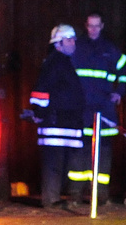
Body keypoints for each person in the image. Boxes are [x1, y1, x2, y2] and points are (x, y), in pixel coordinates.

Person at [68, 11, 124, 205]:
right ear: (86, 25)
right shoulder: (76, 47)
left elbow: (124, 71)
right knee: (79, 154)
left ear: (102, 26)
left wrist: (120, 92)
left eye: (96, 25)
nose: (93, 29)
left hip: (104, 109)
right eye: (90, 25)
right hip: (81, 109)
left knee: (103, 154)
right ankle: (75, 194)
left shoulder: (110, 49)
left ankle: (100, 196)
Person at [28, 24, 84, 211]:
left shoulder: (61, 61)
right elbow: (41, 92)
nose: (73, 43)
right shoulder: (55, 62)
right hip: (55, 122)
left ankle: (54, 197)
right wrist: (39, 113)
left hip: (63, 122)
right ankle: (51, 200)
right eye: (69, 39)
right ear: (59, 43)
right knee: (54, 164)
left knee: (60, 163)